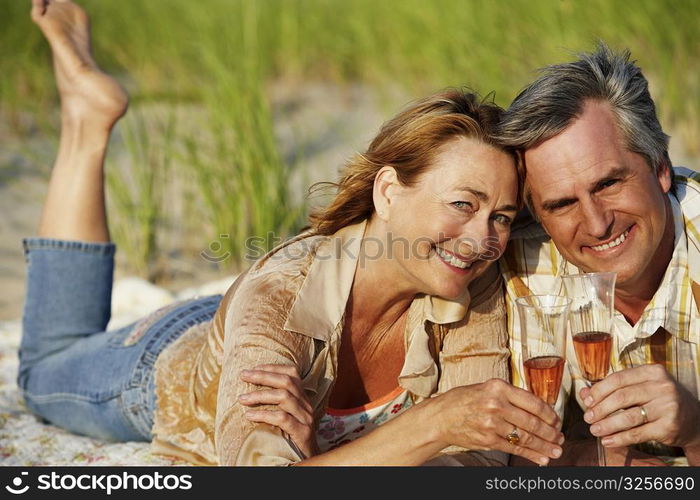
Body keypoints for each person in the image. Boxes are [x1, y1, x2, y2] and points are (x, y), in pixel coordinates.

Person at [19, 0, 565, 466]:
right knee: (44, 365)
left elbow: (477, 463)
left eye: (499, 215)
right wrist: (431, 428)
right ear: (389, 191)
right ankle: (86, 127)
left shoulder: (468, 284)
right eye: (462, 204)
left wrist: (324, 462)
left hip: (241, 314)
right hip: (160, 362)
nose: (482, 238)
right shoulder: (283, 294)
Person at [498, 43, 700, 466]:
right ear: (537, 213)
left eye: (608, 183)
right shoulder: (524, 261)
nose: (596, 224)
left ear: (661, 167)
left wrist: (696, 431)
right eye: (561, 204)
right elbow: (524, 457)